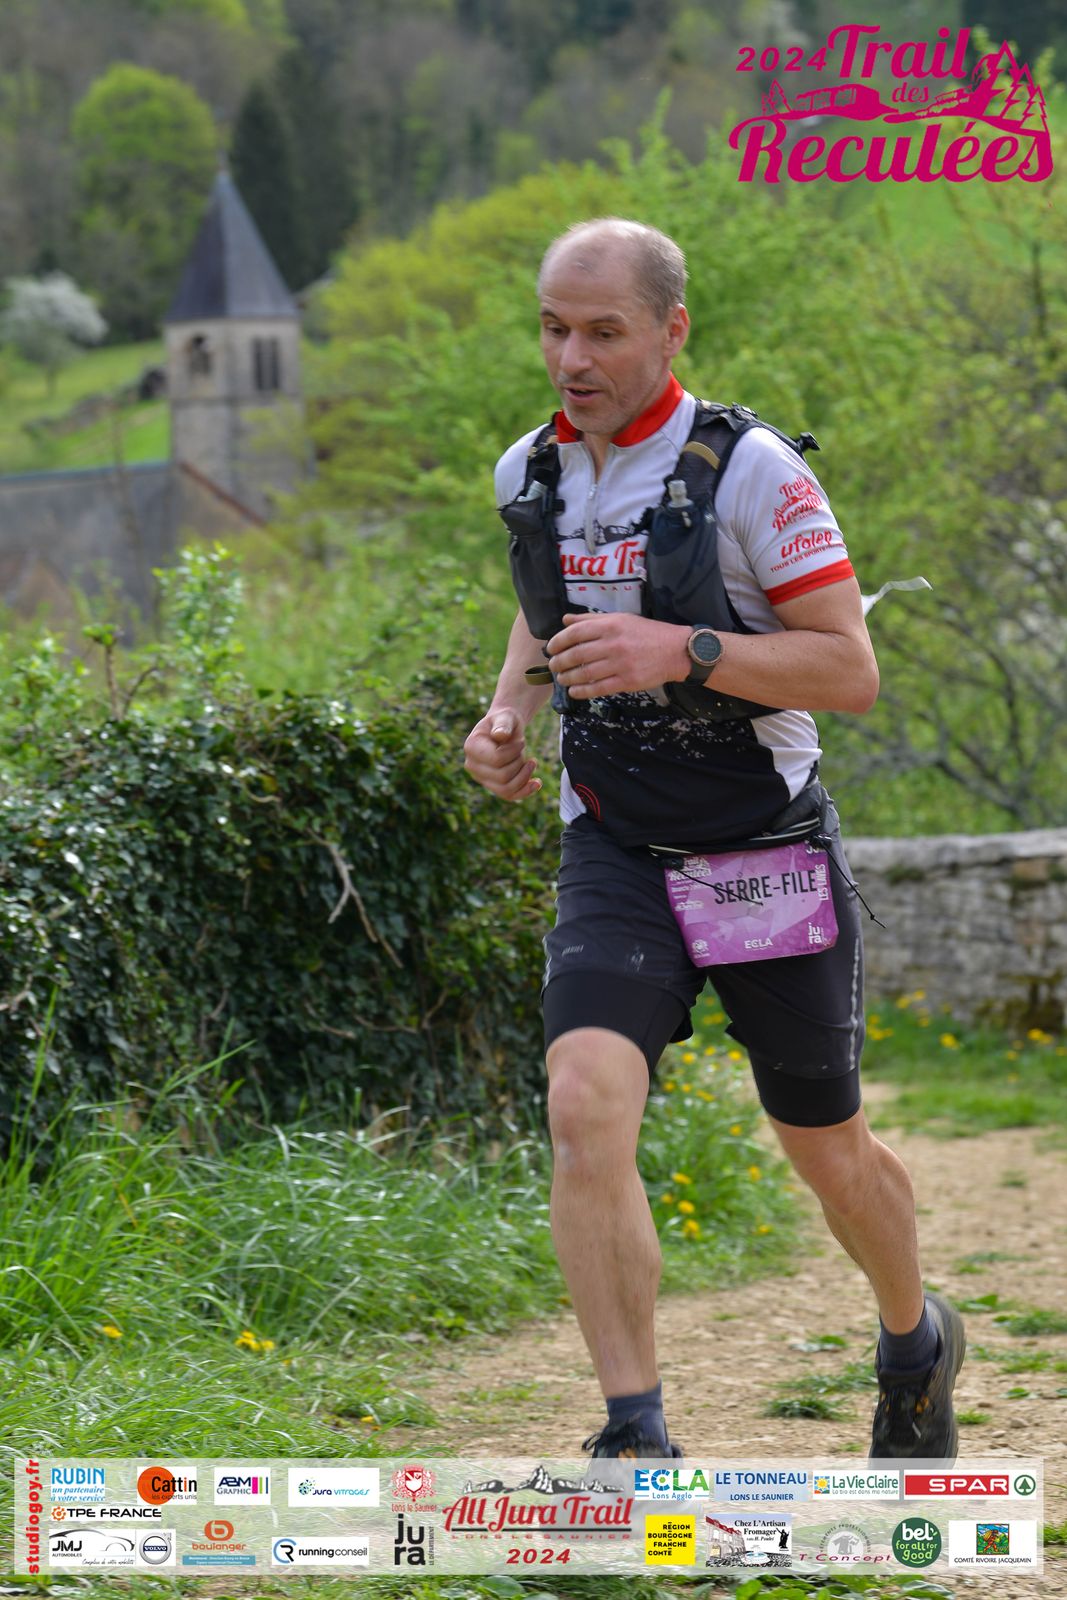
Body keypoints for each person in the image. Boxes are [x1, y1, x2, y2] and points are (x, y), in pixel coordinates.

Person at [462, 217, 965, 1460]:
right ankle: (633, 1430)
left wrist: (680, 649)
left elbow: (847, 670)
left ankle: (913, 1340)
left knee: (825, 1149)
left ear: (670, 330)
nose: (570, 358)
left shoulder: (754, 475)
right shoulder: (528, 469)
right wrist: (506, 712)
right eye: (552, 328)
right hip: (616, 845)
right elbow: (541, 615)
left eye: (602, 331)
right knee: (583, 1102)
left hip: (758, 849)